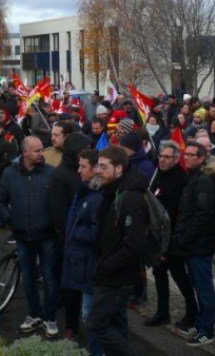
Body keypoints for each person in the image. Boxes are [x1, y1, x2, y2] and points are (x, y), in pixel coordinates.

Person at [85, 145, 149, 356]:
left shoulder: (130, 198)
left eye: (103, 167)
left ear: (119, 168)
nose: (98, 171)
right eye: (97, 166)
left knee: (96, 323)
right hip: (111, 272)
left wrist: (103, 268)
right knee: (117, 323)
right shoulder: (114, 191)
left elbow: (133, 245)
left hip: (116, 276)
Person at [0, 136, 59, 338]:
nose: (41, 153)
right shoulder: (9, 174)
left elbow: (59, 204)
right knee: (28, 278)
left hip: (47, 236)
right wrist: (10, 220)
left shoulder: (51, 173)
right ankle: (34, 314)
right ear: (25, 152)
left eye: (41, 150)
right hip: (23, 236)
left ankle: (50, 317)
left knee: (50, 278)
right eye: (37, 150)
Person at [145, 141, 197, 329]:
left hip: (171, 238)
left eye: (167, 157)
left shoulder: (180, 180)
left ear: (176, 159)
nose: (163, 160)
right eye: (161, 156)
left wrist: (168, 240)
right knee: (159, 275)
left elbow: (173, 213)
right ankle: (162, 312)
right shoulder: (158, 174)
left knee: (179, 276)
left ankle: (192, 311)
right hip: (157, 237)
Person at [172, 141, 215, 346]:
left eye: (192, 155)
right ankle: (200, 323)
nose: (187, 157)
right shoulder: (192, 179)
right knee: (199, 287)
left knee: (204, 288)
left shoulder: (203, 182)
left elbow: (203, 215)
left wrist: (185, 237)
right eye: (185, 154)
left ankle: (207, 329)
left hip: (198, 245)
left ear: (201, 159)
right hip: (191, 245)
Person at [48, 132, 93, 340]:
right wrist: (68, 240)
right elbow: (59, 215)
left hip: (87, 240)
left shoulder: (89, 172)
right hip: (69, 241)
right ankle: (71, 326)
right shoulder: (61, 175)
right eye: (82, 149)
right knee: (71, 288)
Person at [61, 149, 104, 355]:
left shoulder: (97, 196)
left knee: (91, 314)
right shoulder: (85, 189)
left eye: (83, 167)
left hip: (88, 263)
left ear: (96, 169)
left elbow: (97, 232)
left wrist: (75, 232)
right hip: (79, 260)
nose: (78, 171)